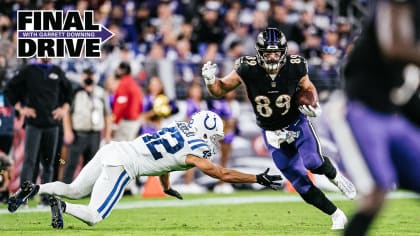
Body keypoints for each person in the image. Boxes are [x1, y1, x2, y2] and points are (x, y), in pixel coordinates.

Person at [7, 111, 282, 229]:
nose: (214, 142)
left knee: (74, 189)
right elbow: (222, 174)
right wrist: (257, 177)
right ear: (206, 132)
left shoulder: (177, 128)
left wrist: (165, 187)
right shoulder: (197, 149)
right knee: (93, 216)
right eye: (214, 137)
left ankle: (36, 188)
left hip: (113, 149)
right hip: (124, 166)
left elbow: (167, 161)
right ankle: (62, 207)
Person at [201, 27, 356, 230]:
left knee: (313, 162)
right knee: (300, 183)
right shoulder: (246, 68)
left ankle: (336, 177)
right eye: (267, 53)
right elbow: (219, 90)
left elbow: (308, 87)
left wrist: (314, 103)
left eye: (276, 52)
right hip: (271, 132)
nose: (272, 57)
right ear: (259, 53)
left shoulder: (296, 65)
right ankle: (336, 214)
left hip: (296, 123)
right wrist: (211, 80)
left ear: (283, 52)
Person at [323, 1, 420, 235]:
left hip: (392, 109)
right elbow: (395, 47)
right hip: (359, 108)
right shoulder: (399, 5)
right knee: (376, 193)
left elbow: (405, 87)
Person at [4, 57, 72, 206]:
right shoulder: (29, 70)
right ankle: (22, 198)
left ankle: (46, 199)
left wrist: (64, 109)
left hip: (52, 124)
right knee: (30, 161)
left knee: (49, 163)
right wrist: (21, 109)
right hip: (33, 124)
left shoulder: (57, 71)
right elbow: (9, 90)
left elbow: (69, 93)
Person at [62, 68, 112, 184]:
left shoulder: (101, 92)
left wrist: (108, 134)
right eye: (86, 75)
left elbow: (107, 115)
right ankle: (65, 188)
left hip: (95, 134)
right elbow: (67, 113)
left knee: (92, 165)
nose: (89, 78)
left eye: (91, 75)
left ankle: (88, 190)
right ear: (82, 77)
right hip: (78, 133)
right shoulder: (75, 92)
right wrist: (68, 131)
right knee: (71, 163)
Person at [111, 62, 143, 141]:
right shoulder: (134, 84)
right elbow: (140, 105)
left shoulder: (124, 84)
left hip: (126, 122)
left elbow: (120, 105)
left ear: (122, 70)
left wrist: (115, 123)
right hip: (135, 121)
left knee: (118, 148)